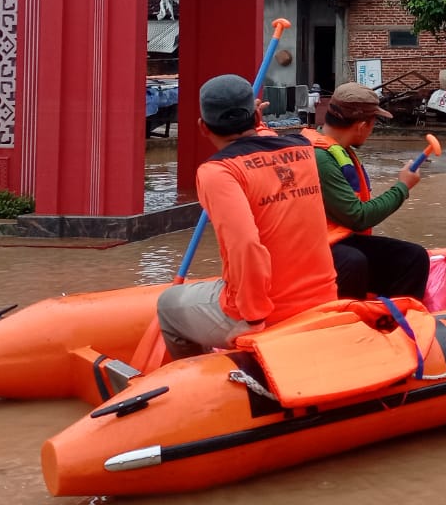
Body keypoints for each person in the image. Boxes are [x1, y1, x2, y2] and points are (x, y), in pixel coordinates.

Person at [156, 74, 337, 360]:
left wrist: (253, 319)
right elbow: (265, 146)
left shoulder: (218, 172)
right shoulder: (303, 150)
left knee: (167, 305)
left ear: (203, 127)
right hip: (323, 297)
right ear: (256, 117)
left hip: (268, 312)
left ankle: (200, 380)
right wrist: (257, 123)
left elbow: (245, 245)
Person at [306, 83, 430, 301]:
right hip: (312, 249)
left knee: (414, 257)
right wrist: (402, 187)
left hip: (336, 240)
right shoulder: (321, 158)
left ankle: (397, 320)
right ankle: (348, 323)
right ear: (362, 125)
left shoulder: (337, 149)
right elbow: (358, 217)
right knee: (353, 261)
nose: (371, 130)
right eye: (373, 124)